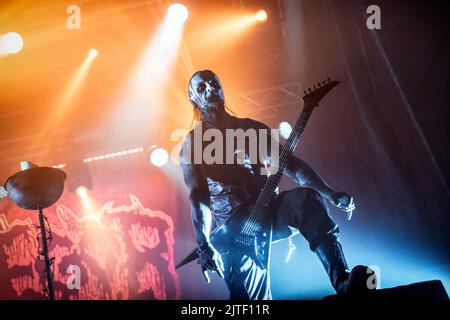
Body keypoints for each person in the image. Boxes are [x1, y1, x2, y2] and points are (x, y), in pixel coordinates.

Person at [179, 70, 375, 300]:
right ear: (193, 98)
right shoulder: (193, 143)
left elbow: (293, 166)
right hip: (235, 233)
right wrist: (203, 244)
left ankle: (343, 282)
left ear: (222, 89)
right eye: (201, 88)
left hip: (270, 213)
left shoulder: (250, 129)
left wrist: (330, 194)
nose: (210, 88)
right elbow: (198, 195)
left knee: (305, 199)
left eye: (213, 83)